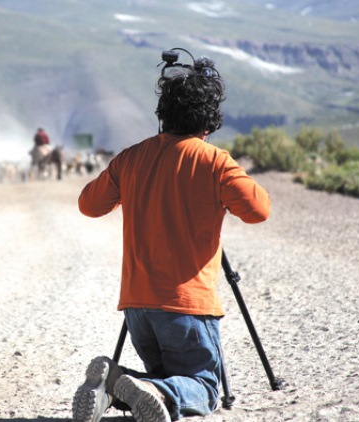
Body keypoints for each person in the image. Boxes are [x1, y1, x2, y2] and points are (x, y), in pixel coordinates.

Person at [72, 52, 271, 422]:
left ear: (163, 113)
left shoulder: (130, 159)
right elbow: (259, 211)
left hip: (137, 307)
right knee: (204, 387)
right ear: (209, 121)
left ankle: (112, 384)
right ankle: (154, 390)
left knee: (168, 377)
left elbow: (88, 204)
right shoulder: (215, 162)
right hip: (187, 307)